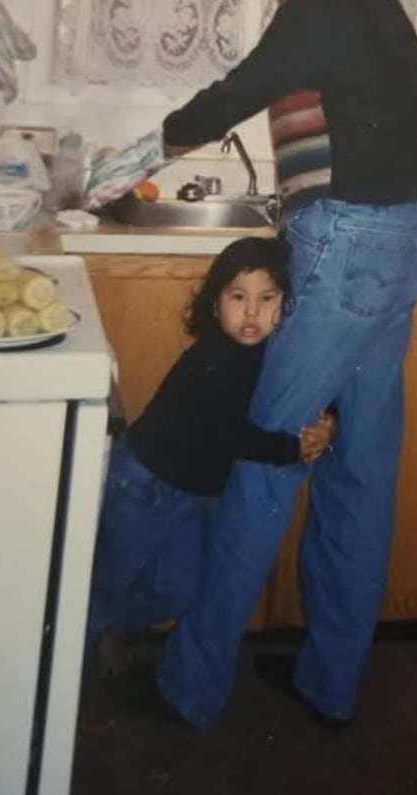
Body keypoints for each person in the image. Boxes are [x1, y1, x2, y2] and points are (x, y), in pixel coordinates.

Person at [145, 0, 417, 729]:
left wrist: (159, 140)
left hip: (346, 244)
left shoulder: (323, 8)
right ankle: (330, 680)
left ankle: (188, 685)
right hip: (399, 242)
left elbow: (240, 89)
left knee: (266, 455)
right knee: (359, 470)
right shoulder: (376, 11)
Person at [85, 236, 335, 668]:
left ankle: (105, 628)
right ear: (216, 304)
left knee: (176, 590)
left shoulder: (268, 351)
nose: (252, 313)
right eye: (238, 298)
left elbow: (314, 379)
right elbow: (230, 435)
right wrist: (293, 448)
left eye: (267, 298)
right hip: (143, 484)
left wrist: (329, 420)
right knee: (106, 584)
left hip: (190, 493)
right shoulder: (217, 357)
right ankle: (64, 680)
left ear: (285, 303)